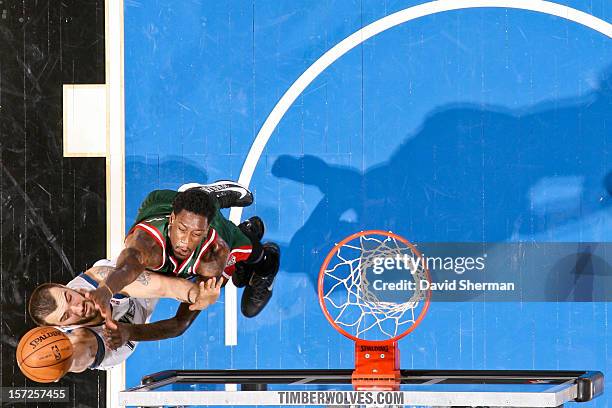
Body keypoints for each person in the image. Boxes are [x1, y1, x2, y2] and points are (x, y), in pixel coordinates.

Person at [87, 181, 280, 318]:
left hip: (214, 233)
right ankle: (202, 197)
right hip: (159, 203)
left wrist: (128, 330)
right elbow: (125, 269)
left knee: (251, 255)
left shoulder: (214, 251)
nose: (185, 242)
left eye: (195, 234)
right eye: (181, 230)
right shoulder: (146, 246)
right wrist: (106, 291)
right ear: (172, 220)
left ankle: (263, 262)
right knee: (190, 275)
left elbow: (181, 323)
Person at [27, 259, 220, 372]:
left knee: (164, 260)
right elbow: (80, 354)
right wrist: (62, 363)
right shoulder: (83, 340)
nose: (77, 308)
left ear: (67, 287)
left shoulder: (100, 279)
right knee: (180, 325)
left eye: (69, 297)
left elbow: (165, 287)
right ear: (61, 328)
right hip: (133, 327)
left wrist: (198, 295)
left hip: (130, 278)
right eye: (66, 316)